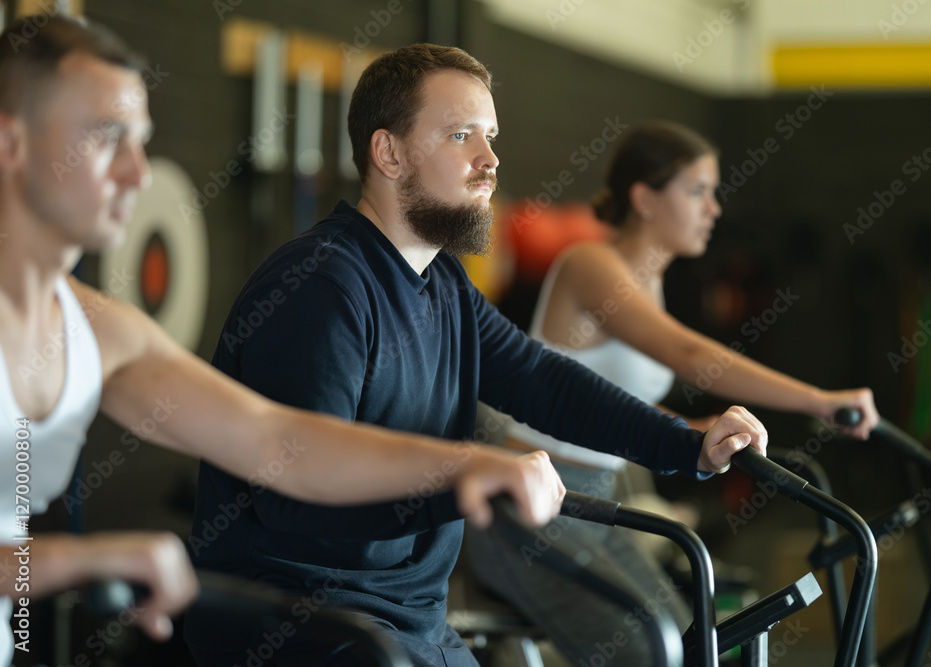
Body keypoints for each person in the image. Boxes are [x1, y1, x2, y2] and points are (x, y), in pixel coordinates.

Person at [0, 15, 571, 665]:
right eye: (106, 138)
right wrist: (73, 558)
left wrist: (465, 467)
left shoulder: (100, 331)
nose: (138, 172)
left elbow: (281, 441)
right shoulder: (328, 278)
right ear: (10, 142)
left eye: (142, 141)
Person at [185, 45, 769, 666]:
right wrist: (467, 478)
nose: (489, 161)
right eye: (461, 135)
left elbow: (543, 382)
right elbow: (293, 493)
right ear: (389, 153)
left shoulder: (443, 284)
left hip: (408, 617)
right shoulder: (319, 288)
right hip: (305, 623)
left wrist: (685, 445)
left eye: (490, 136)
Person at [466, 120, 880, 665]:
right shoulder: (591, 264)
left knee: (689, 640)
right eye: (697, 191)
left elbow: (609, 399)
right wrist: (819, 400)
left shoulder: (652, 285)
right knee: (645, 651)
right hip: (530, 506)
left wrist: (695, 428)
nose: (713, 209)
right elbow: (690, 356)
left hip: (593, 496)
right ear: (644, 198)